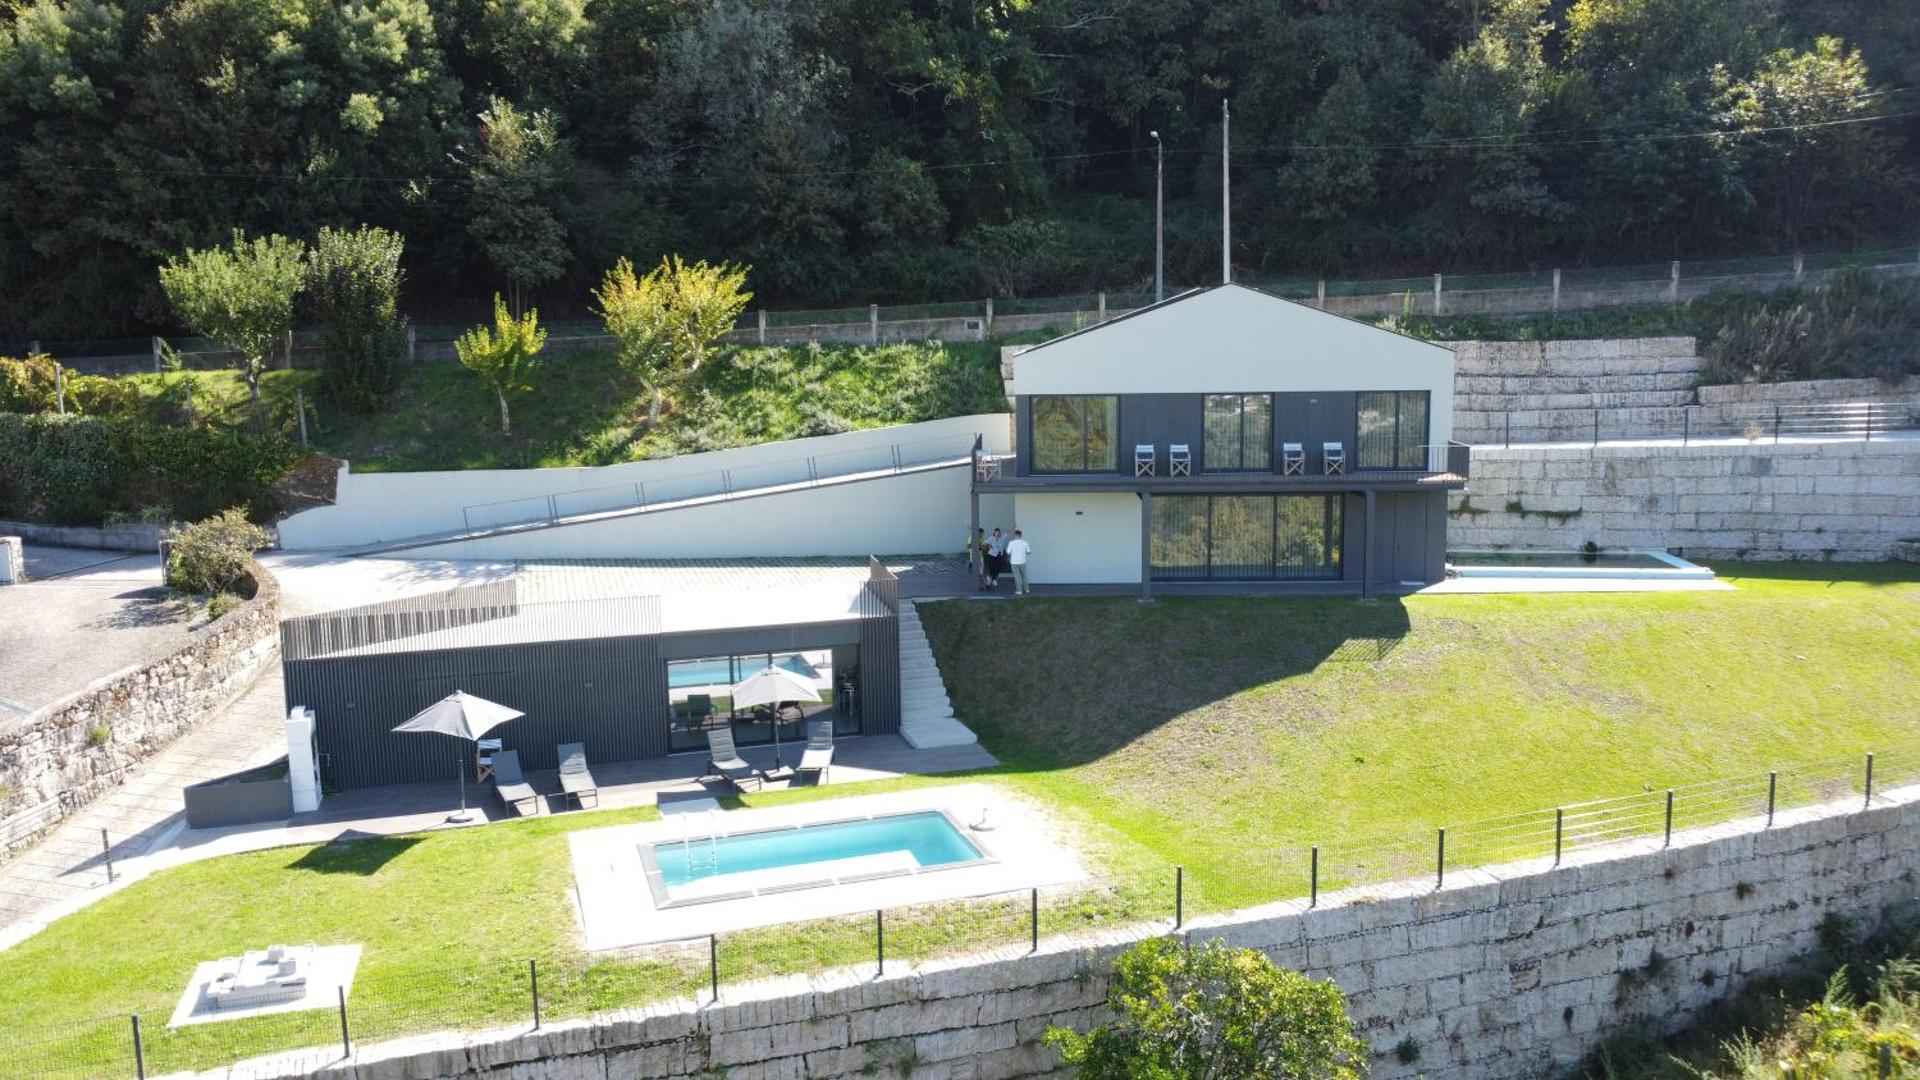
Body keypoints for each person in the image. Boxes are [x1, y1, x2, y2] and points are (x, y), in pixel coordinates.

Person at [1006, 529, 1032, 595]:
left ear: (1015, 535)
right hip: (1022, 562)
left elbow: (1008, 553)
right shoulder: (1025, 542)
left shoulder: (1011, 543)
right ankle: (1027, 589)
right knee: (1024, 576)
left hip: (1014, 562)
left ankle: (1019, 590)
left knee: (1017, 577)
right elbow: (1028, 552)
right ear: (1021, 535)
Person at [985, 528, 1006, 592]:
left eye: (999, 533)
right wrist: (989, 546)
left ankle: (993, 579)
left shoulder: (1002, 538)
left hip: (999, 555)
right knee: (991, 569)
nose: (997, 534)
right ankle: (990, 582)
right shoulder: (991, 538)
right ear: (994, 533)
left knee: (998, 568)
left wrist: (1014, 526)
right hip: (992, 555)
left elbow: (1008, 532)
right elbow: (985, 543)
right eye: (996, 533)